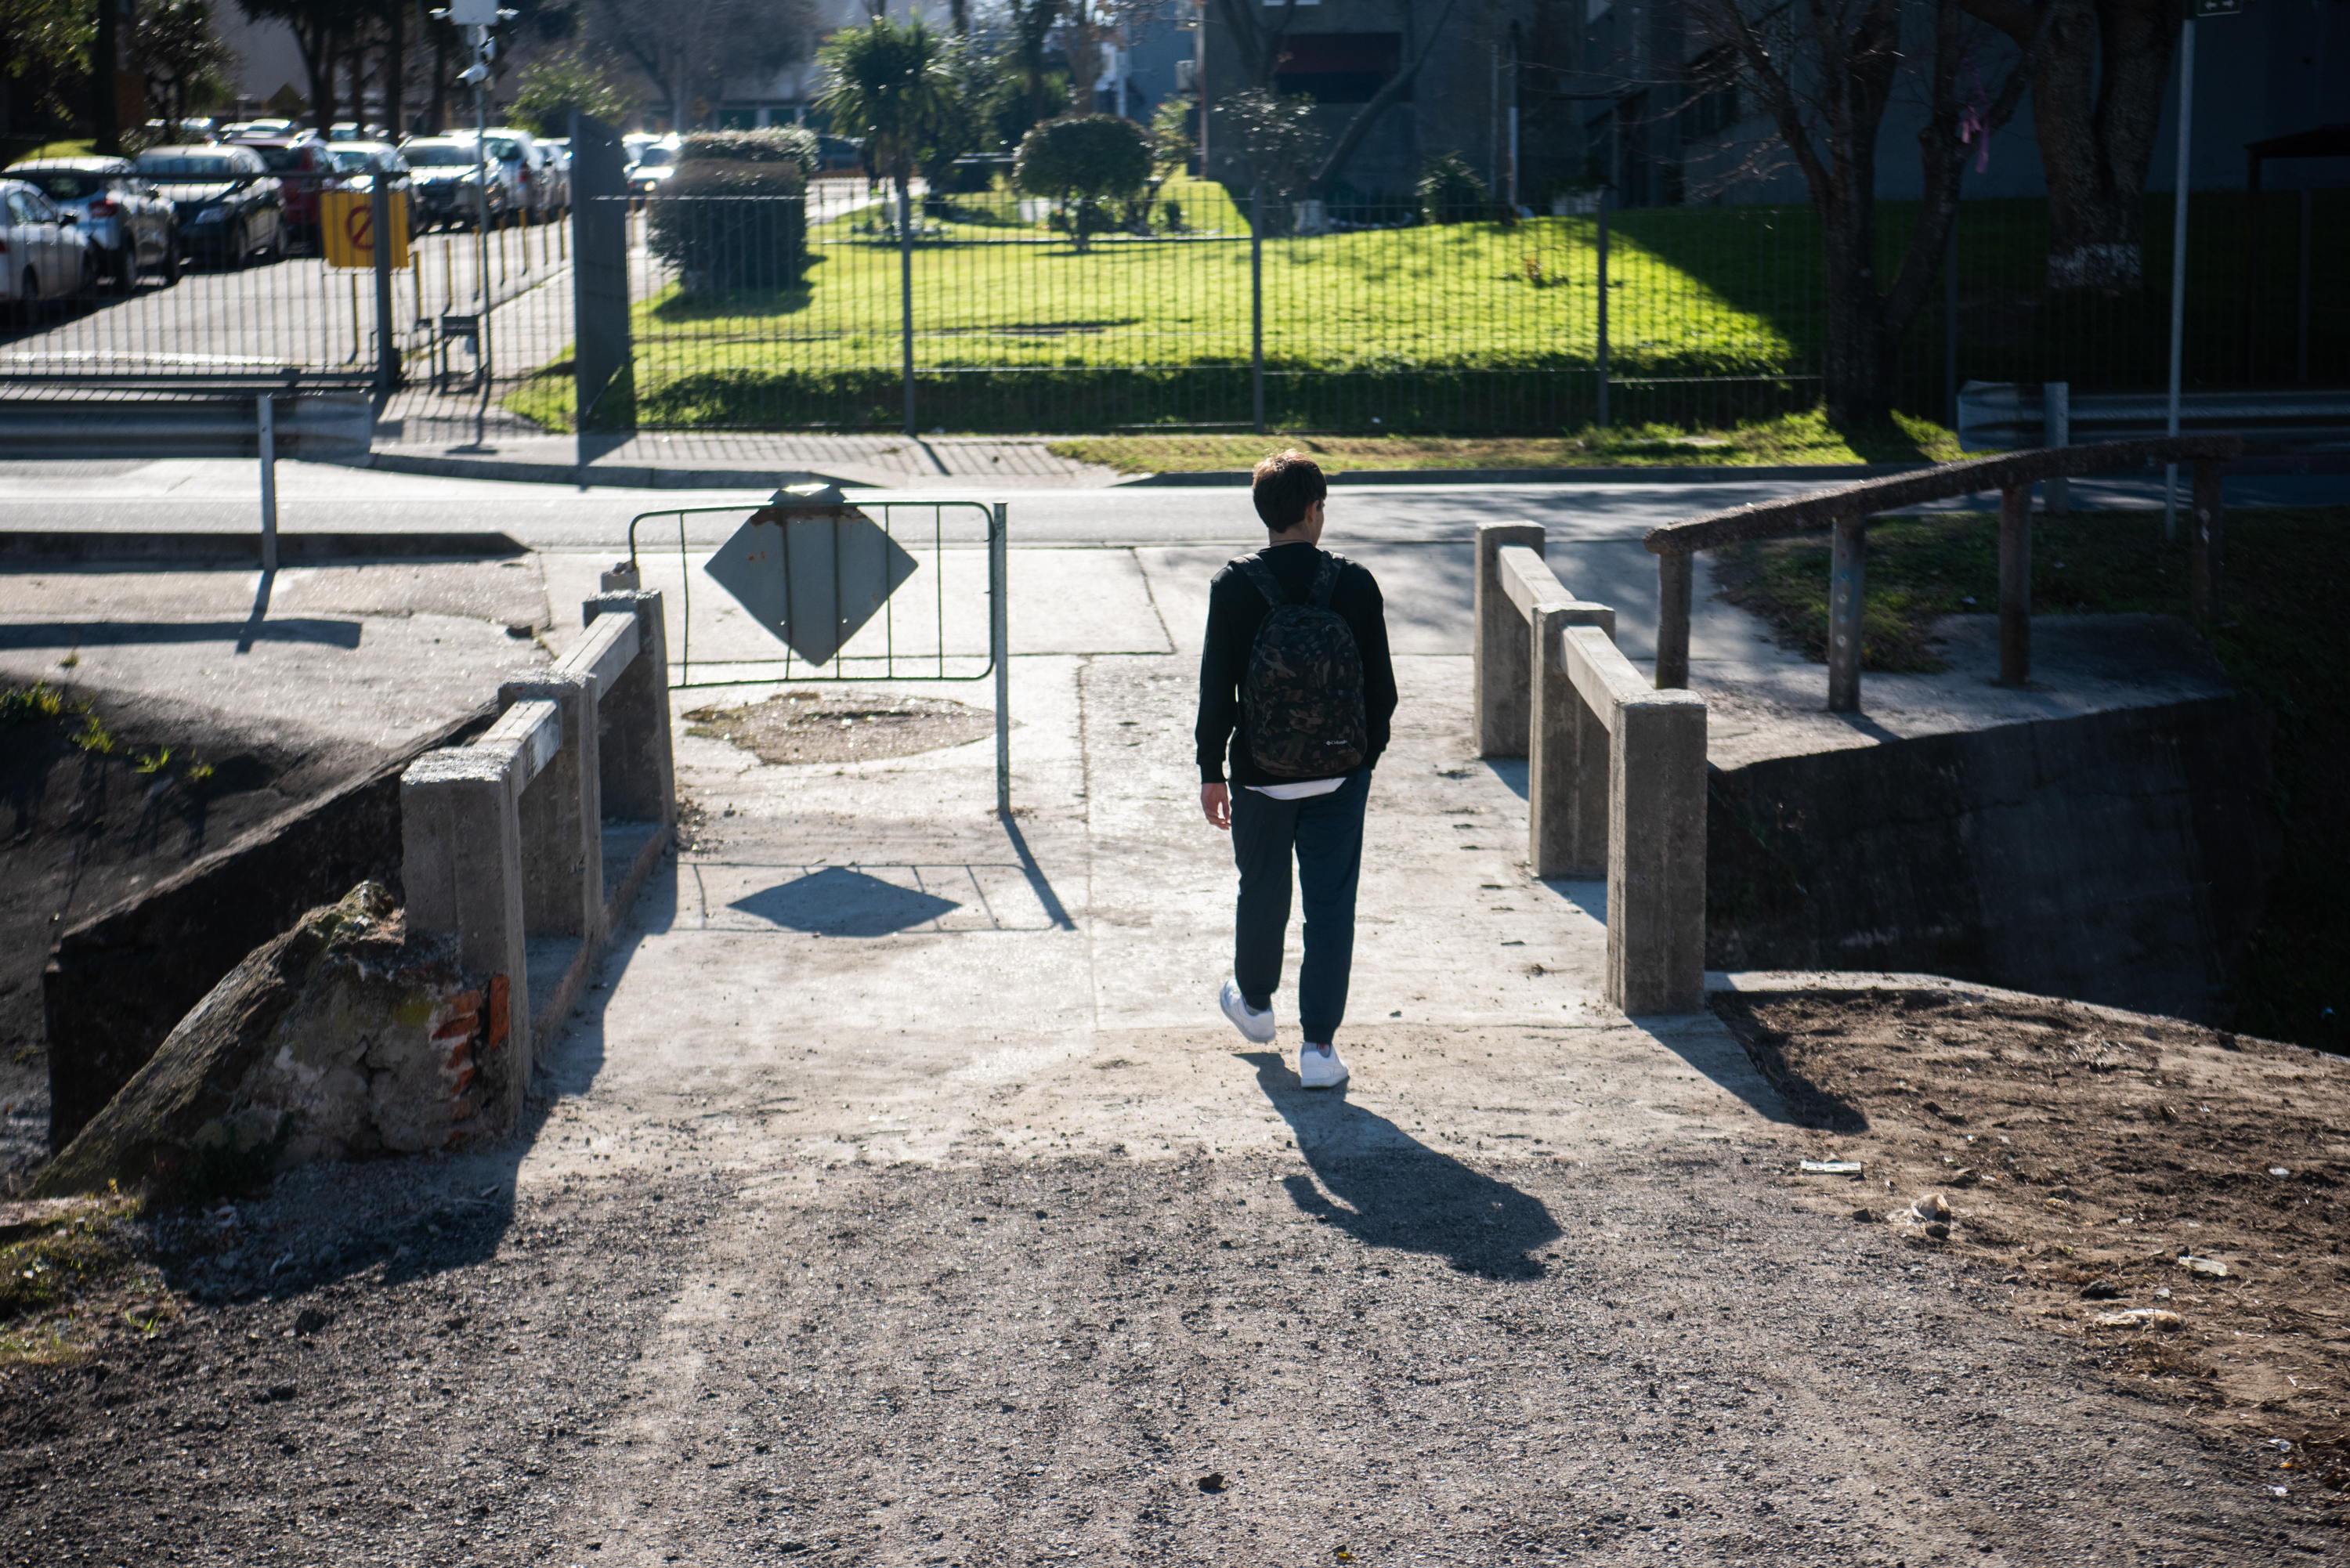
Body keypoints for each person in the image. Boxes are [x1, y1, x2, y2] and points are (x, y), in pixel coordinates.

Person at [1195, 450, 1397, 1089]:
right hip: (1340, 774)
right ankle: (1319, 1051)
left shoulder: (1234, 586)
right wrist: (1359, 761)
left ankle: (1254, 1007)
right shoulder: (1354, 584)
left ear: (1265, 513)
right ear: (1314, 511)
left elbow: (1216, 689)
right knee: (1330, 906)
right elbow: (1381, 692)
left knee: (1262, 890)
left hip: (1259, 773)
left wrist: (1211, 769)